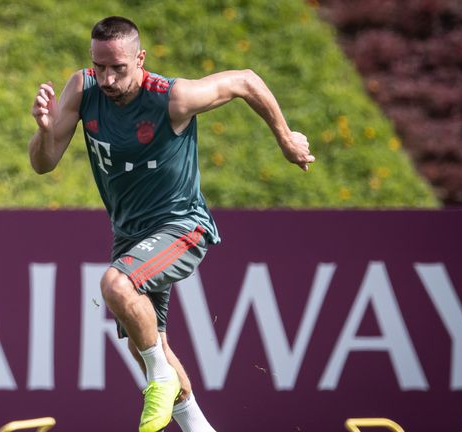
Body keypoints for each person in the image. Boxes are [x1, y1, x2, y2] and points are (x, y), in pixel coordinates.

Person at [28, 16, 314, 432]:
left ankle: (158, 380)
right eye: (100, 66)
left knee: (116, 286)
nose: (107, 78)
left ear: (140, 59)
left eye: (118, 68)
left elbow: (246, 80)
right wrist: (42, 130)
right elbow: (44, 163)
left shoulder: (171, 98)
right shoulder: (83, 88)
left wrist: (286, 139)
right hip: (130, 235)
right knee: (149, 344)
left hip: (182, 227)